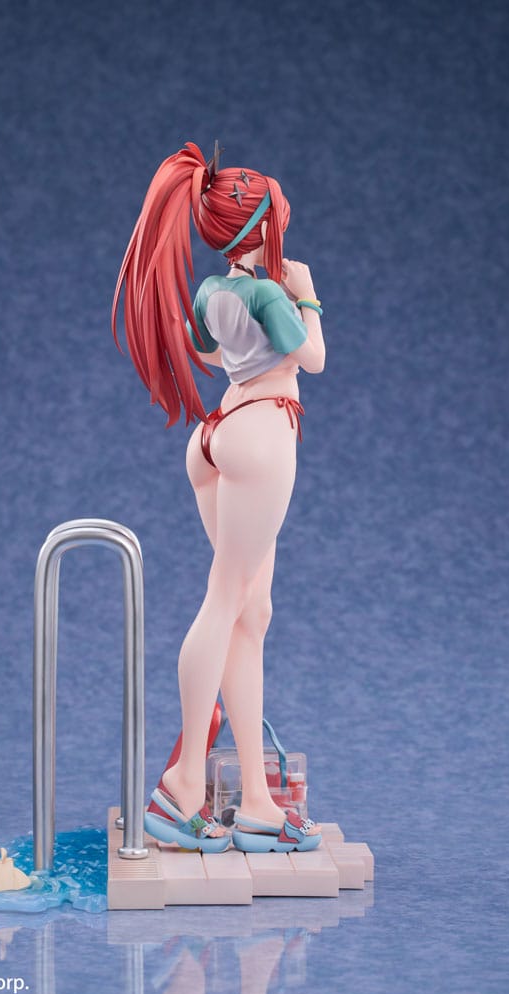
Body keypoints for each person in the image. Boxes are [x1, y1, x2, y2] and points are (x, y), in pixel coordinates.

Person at [112, 142, 326, 853]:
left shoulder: (211, 291)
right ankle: (182, 785)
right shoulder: (268, 293)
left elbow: (206, 351)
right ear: (261, 229)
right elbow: (312, 357)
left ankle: (257, 802)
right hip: (260, 434)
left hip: (216, 432)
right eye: (279, 221)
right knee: (226, 598)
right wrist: (306, 292)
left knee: (249, 611)